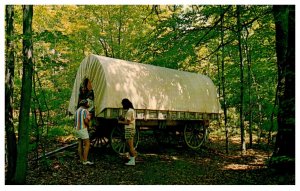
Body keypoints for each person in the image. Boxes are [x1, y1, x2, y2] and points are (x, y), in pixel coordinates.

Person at [118, 98, 137, 166]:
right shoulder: (131, 110)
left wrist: (119, 122)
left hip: (129, 129)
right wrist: (123, 118)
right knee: (130, 145)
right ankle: (132, 159)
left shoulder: (129, 111)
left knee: (130, 146)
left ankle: (133, 160)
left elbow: (127, 122)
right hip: (131, 129)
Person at [74, 99, 94, 165]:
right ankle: (85, 161)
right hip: (83, 129)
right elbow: (86, 121)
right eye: (88, 103)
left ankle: (81, 159)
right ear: (85, 104)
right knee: (87, 144)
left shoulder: (77, 110)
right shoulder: (85, 110)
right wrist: (89, 126)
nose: (88, 104)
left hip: (77, 129)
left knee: (80, 144)